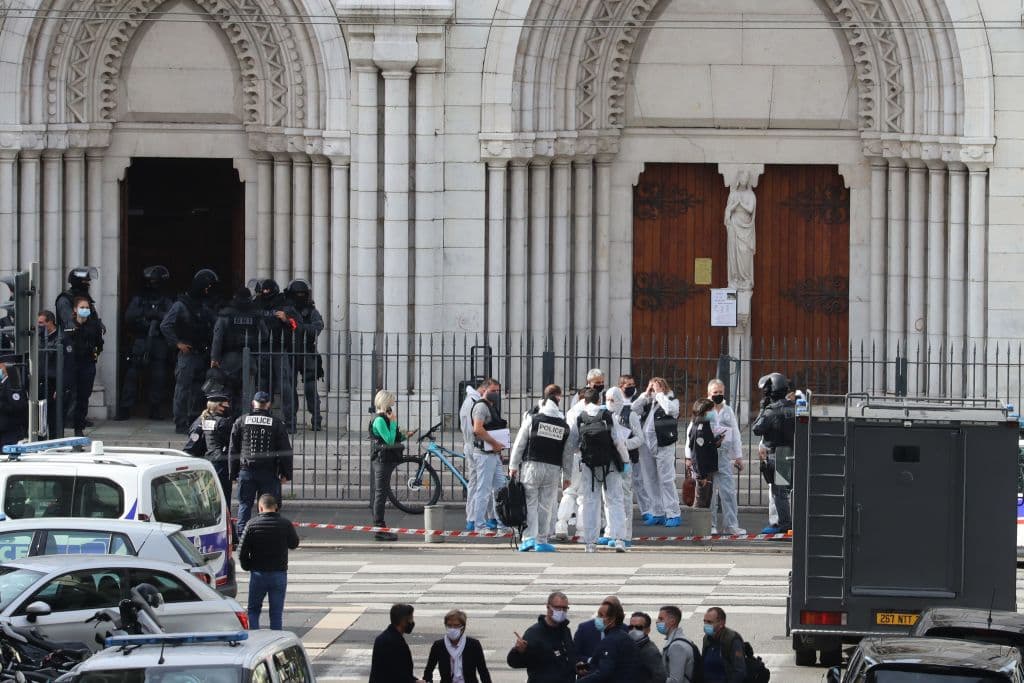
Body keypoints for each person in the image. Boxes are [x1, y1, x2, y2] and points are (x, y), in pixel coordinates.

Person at [509, 384, 572, 552]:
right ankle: (542, 540)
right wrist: (567, 476)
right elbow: (567, 453)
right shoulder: (564, 425)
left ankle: (528, 538)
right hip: (553, 469)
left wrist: (513, 465)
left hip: (532, 466)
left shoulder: (533, 419)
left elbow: (520, 444)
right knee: (546, 505)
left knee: (530, 503)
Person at [570, 386, 630, 553]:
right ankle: (619, 539)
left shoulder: (579, 417)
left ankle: (590, 543)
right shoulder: (607, 416)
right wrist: (626, 461)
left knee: (591, 501)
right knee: (615, 500)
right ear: (599, 400)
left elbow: (573, 445)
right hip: (609, 464)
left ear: (585, 401)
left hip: (589, 465)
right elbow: (618, 442)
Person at [161, 269, 219, 434]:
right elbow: (165, 325)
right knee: (183, 389)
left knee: (199, 390)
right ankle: (180, 422)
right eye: (206, 287)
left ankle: (194, 419)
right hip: (187, 354)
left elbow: (215, 323)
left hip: (201, 353)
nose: (208, 290)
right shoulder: (181, 305)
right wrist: (178, 344)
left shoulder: (203, 305)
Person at [229, 391, 293, 536]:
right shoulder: (276, 423)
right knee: (268, 507)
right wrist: (286, 473)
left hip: (246, 471)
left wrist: (232, 473)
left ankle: (242, 537)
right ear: (269, 404)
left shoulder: (241, 421)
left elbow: (233, 450)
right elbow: (285, 451)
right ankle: (266, 535)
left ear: (253, 403)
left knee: (244, 505)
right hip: (268, 472)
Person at [115, 265, 173, 421]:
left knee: (158, 376)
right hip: (141, 340)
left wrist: (157, 316)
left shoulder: (166, 299)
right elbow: (129, 317)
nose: (153, 284)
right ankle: (126, 408)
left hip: (159, 341)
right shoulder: (139, 298)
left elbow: (171, 317)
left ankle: (155, 408)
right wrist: (148, 315)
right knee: (132, 375)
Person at [556, 368, 607, 540]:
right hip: (590, 455)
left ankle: (561, 525)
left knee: (569, 492)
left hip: (574, 454)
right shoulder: (598, 411)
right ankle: (580, 531)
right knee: (584, 495)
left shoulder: (573, 411)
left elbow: (569, 437)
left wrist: (566, 461)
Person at [237, 493, 299, 630]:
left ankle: (255, 640)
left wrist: (247, 566)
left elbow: (241, 552)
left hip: (258, 574)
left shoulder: (251, 524)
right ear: (276, 507)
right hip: (279, 573)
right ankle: (276, 644)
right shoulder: (285, 524)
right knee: (276, 614)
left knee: (253, 610)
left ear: (260, 507)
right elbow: (294, 543)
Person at [632, 377, 681, 527]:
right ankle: (657, 512)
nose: (654, 391)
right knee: (649, 479)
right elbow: (633, 409)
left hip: (663, 445)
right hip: (646, 445)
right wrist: (645, 394)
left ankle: (673, 513)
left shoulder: (671, 400)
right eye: (652, 388)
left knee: (666, 479)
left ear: (664, 387)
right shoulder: (648, 402)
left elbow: (671, 410)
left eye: (657, 387)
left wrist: (660, 394)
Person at [368, 390, 416, 542]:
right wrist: (393, 421)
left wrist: (404, 435)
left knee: (382, 492)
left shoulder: (385, 418)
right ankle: (379, 528)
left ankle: (380, 527)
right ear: (386, 403)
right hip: (382, 460)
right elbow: (388, 440)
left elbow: (393, 436)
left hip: (388, 459)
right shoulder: (379, 420)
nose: (394, 404)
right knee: (381, 494)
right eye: (392, 401)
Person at [752, 373, 795, 534]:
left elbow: (757, 428)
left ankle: (784, 523)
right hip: (792, 451)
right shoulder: (794, 407)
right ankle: (790, 522)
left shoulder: (772, 410)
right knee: (792, 491)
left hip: (778, 454)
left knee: (779, 493)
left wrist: (763, 408)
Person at [211, 286, 266, 412]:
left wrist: (214, 357)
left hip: (230, 357)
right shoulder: (256, 314)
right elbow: (265, 335)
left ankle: (228, 418)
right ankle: (245, 420)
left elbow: (218, 337)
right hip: (250, 357)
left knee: (227, 389)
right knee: (247, 391)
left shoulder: (226, 313)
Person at [253, 279, 298, 432]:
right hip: (261, 350)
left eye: (268, 290)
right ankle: (262, 419)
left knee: (285, 386)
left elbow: (297, 325)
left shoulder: (284, 304)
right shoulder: (256, 304)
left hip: (279, 350)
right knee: (262, 386)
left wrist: (287, 319)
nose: (265, 293)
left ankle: (291, 422)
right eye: (263, 290)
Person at [703, 379, 745, 535]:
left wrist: (738, 456)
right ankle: (711, 524)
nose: (718, 395)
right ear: (709, 394)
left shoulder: (728, 410)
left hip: (724, 456)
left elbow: (735, 434)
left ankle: (731, 525)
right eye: (715, 392)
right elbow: (691, 432)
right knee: (710, 493)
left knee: (728, 492)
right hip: (708, 456)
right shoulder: (704, 410)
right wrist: (689, 456)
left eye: (721, 392)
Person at [507, 590, 576, 682]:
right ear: (548, 608)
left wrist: (577, 666)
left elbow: (569, 657)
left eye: (564, 608)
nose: (562, 612)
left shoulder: (565, 631)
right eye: (558, 608)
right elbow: (514, 662)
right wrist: (518, 651)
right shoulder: (534, 633)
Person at [183, 387, 236, 506]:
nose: (228, 407)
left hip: (206, 462)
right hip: (220, 464)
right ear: (219, 406)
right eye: (226, 405)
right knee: (223, 497)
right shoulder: (223, 422)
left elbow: (192, 444)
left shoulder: (200, 421)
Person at [601, 387, 640, 548]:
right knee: (608, 499)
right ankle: (611, 532)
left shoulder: (629, 414)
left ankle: (625, 534)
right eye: (607, 399)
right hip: (608, 461)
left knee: (624, 498)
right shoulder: (604, 415)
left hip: (624, 461)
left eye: (613, 400)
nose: (610, 403)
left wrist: (625, 444)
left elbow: (640, 438)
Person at [468, 379, 507, 532]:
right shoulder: (481, 407)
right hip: (484, 454)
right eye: (493, 390)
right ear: (484, 390)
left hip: (493, 454)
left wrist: (497, 449)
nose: (496, 394)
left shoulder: (491, 406)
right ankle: (479, 525)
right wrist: (495, 443)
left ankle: (502, 523)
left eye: (497, 391)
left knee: (500, 489)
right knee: (483, 491)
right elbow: (478, 429)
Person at [285, 279, 324, 431]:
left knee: (310, 388)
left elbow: (317, 328)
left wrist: (296, 325)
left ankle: (316, 420)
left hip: (307, 352)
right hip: (290, 352)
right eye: (297, 294)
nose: (300, 297)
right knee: (290, 388)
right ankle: (291, 422)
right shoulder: (286, 310)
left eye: (303, 294)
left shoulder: (312, 312)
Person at [576, 597, 640, 682]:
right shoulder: (625, 636)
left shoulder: (610, 640)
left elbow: (604, 672)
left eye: (601, 615)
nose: (597, 618)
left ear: (612, 619)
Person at [620, 374, 655, 527]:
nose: (631, 387)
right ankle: (620, 511)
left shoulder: (638, 399)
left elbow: (639, 407)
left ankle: (646, 510)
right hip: (619, 448)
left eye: (633, 384)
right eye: (628, 385)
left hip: (634, 445)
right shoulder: (616, 401)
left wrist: (647, 391)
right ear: (621, 386)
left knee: (639, 480)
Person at [67, 295, 104, 437]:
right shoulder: (68, 325)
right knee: (70, 395)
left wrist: (95, 354)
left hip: (87, 364)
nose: (85, 310)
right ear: (75, 310)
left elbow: (99, 344)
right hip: (71, 365)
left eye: (87, 308)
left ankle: (78, 428)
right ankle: (63, 424)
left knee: (83, 396)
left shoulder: (94, 325)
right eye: (82, 307)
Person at [423, 609, 492, 683]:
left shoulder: (473, 645)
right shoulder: (439, 645)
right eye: (449, 625)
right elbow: (429, 669)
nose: (452, 629)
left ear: (463, 627)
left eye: (456, 626)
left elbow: (483, 670)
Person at [369, 603, 426, 683]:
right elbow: (395, 674)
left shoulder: (388, 637)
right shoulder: (392, 642)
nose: (412, 622)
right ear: (403, 621)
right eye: (411, 619)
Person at [36, 311, 67, 438]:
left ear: (50, 322)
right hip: (41, 381)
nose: (39, 325)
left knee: (54, 417)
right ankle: (40, 440)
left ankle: (55, 440)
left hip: (54, 382)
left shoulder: (61, 338)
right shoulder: (39, 337)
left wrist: (62, 386)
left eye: (41, 322)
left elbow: (66, 365)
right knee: (40, 415)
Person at [459, 378, 485, 531]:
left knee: (476, 483)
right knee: (478, 484)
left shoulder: (470, 400)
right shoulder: (474, 403)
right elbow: (475, 429)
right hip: (475, 446)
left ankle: (474, 518)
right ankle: (474, 519)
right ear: (482, 390)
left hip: (471, 445)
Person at [701, 607, 746, 683]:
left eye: (709, 622)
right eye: (704, 621)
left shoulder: (732, 639)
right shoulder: (707, 639)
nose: (706, 625)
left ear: (721, 623)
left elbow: (739, 671)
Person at [657, 606, 695, 683]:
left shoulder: (677, 646)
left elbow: (675, 681)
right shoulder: (681, 640)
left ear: (672, 621)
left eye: (661, 619)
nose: (657, 621)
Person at [628, 612, 667, 683]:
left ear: (648, 630)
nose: (633, 631)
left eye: (638, 628)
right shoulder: (631, 646)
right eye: (630, 627)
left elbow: (661, 677)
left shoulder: (650, 651)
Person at [0, 353, 28, 447]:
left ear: (5, 367)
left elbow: (18, 406)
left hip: (10, 431)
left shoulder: (13, 383)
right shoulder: (3, 382)